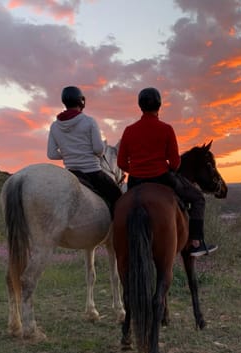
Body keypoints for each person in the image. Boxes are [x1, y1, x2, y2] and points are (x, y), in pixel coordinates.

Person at [117, 87, 217, 257]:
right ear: (159, 105)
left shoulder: (129, 130)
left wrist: (136, 170)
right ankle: (195, 242)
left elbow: (121, 163)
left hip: (135, 181)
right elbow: (176, 163)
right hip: (161, 178)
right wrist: (166, 168)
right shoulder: (166, 129)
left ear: (140, 106)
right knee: (198, 198)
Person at [47, 85, 122, 218]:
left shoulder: (55, 126)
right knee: (119, 198)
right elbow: (99, 150)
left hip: (71, 173)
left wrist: (69, 155)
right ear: (81, 101)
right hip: (92, 172)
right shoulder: (89, 121)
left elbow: (51, 154)